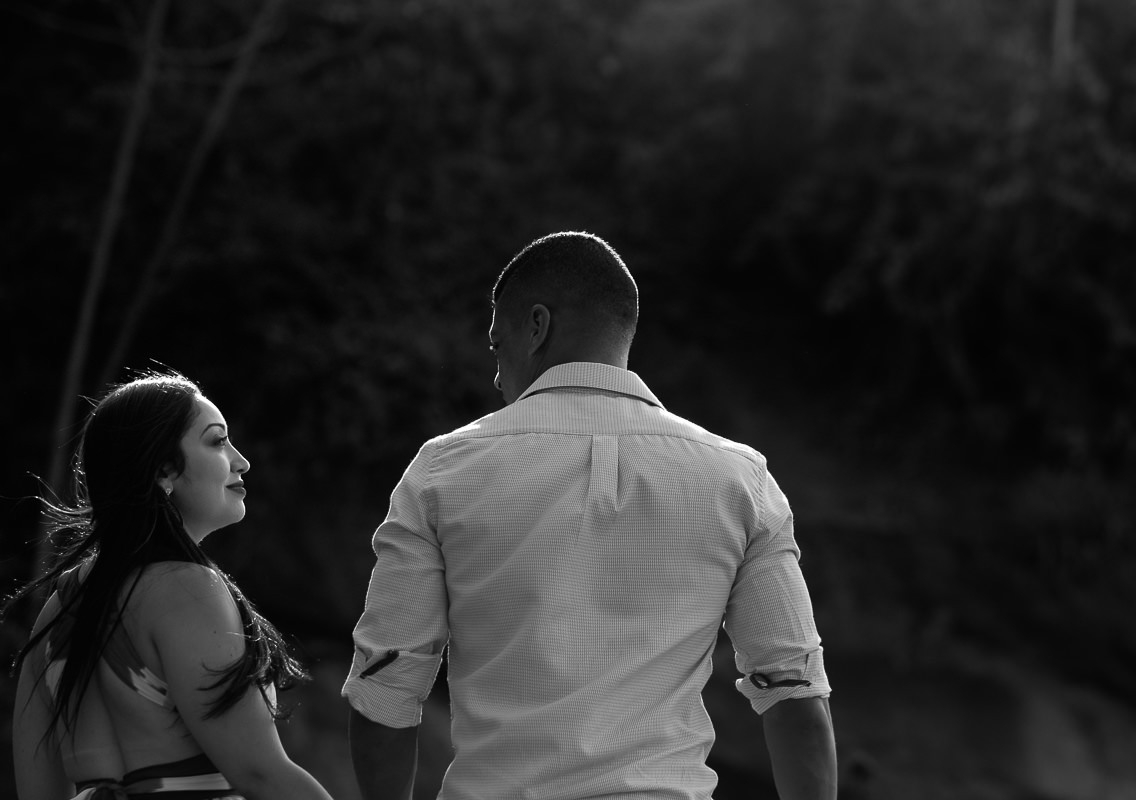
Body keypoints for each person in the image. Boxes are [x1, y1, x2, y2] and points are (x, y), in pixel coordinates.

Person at [342, 231, 837, 800]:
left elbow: (385, 686)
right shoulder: (738, 479)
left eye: (497, 346)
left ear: (537, 326)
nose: (497, 375)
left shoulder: (443, 471)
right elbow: (794, 690)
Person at [9, 372, 336, 800]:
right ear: (164, 469)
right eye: (217, 441)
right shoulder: (186, 589)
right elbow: (260, 774)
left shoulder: (58, 610)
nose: (241, 461)